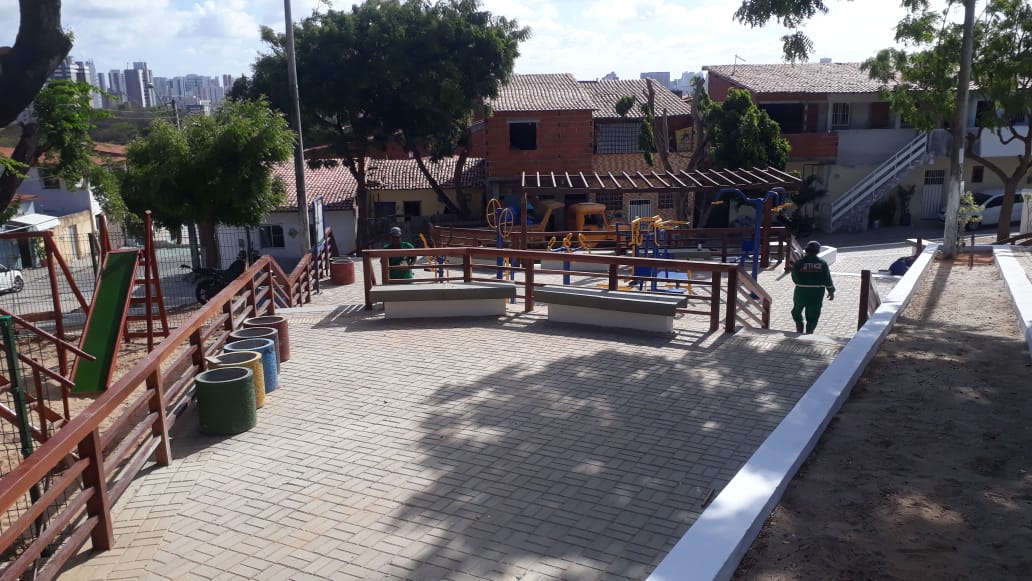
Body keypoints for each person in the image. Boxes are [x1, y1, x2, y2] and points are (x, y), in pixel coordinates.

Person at [791, 240, 835, 334]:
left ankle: (799, 327)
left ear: (806, 250)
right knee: (813, 313)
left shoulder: (799, 263)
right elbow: (827, 279)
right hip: (816, 293)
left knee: (796, 310)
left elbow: (794, 277)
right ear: (818, 251)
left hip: (800, 292)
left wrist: (801, 283)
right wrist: (831, 291)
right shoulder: (822, 263)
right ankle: (809, 332)